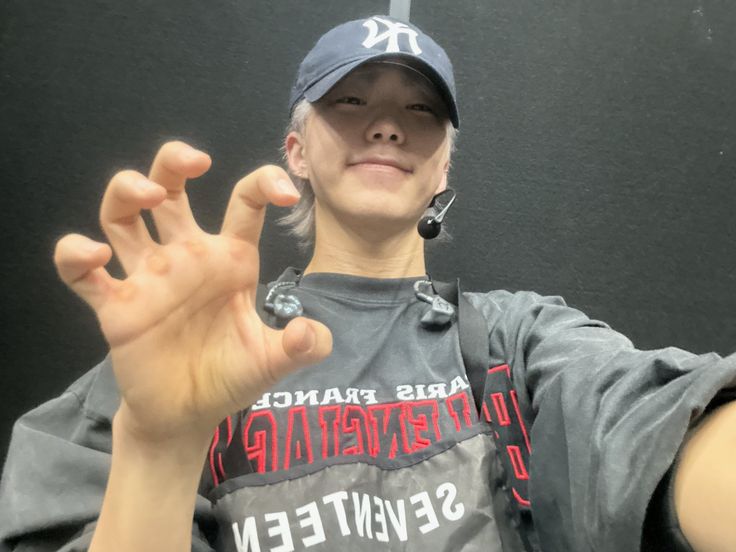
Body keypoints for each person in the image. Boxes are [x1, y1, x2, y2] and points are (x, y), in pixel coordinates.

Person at [1, 14, 735, 552]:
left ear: (443, 167)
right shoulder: (193, 344)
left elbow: (646, 421)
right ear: (295, 149)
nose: (387, 126)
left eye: (420, 111)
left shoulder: (518, 341)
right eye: (350, 102)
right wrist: (160, 450)